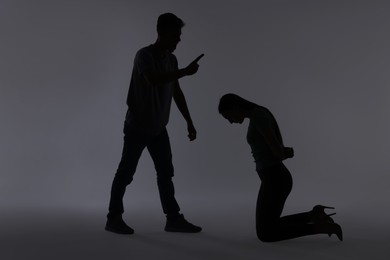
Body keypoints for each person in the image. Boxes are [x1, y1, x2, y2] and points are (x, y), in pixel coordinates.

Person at [106, 13, 204, 235]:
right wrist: (185, 72)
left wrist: (189, 121)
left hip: (159, 128)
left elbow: (176, 91)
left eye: (179, 36)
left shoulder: (171, 60)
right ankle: (113, 217)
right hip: (138, 126)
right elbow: (153, 80)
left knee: (165, 173)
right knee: (126, 172)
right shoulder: (144, 55)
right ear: (163, 33)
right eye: (176, 36)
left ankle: (173, 218)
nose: (179, 40)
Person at [218, 93, 343, 242]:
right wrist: (284, 152)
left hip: (275, 179)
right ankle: (314, 215)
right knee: (269, 226)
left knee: (266, 233)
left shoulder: (259, 116)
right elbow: (278, 149)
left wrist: (285, 152)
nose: (230, 122)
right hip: (273, 178)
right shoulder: (258, 114)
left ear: (235, 107)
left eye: (228, 117)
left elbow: (278, 152)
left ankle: (323, 227)